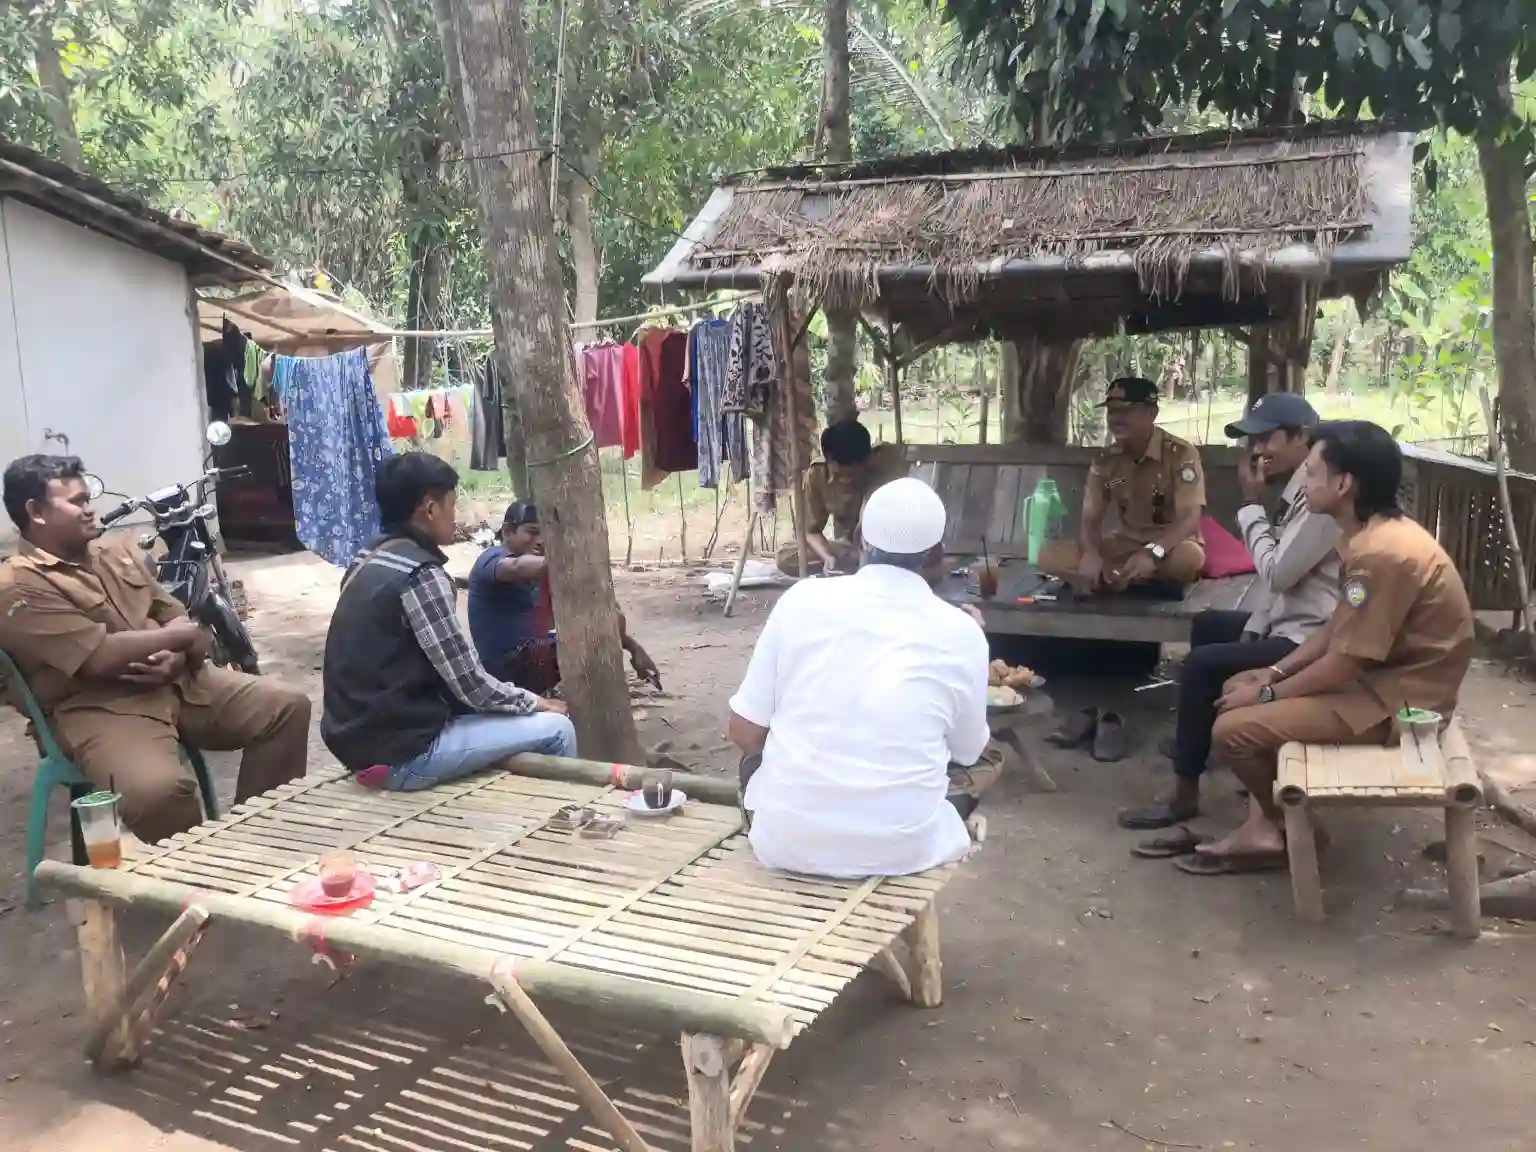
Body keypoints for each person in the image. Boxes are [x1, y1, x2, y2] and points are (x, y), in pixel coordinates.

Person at [1182, 421, 1474, 874]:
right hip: (1376, 683)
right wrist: (1272, 675)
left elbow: (1345, 660)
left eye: (1313, 473)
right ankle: (1267, 823)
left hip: (1400, 706)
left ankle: (1289, 834)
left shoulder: (1381, 554)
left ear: (1343, 484)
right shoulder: (1368, 537)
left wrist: (1267, 695)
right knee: (1241, 681)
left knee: (1231, 730)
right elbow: (1336, 624)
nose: (1304, 482)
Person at [0, 454, 309, 844]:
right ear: (36, 512)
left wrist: (179, 655)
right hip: (100, 709)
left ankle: (248, 846)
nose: (90, 509)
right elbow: (99, 657)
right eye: (77, 502)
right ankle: (197, 878)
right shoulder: (18, 585)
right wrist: (176, 639)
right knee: (157, 793)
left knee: (286, 708)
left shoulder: (113, 553)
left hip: (180, 682)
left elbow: (185, 621)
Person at [729, 476, 991, 878]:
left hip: (785, 843)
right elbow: (968, 752)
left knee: (758, 761)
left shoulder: (801, 600)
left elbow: (745, 732)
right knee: (985, 760)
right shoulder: (962, 632)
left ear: (858, 539)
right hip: (904, 851)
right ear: (938, 553)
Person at [1120, 393, 1342, 833]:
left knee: (1202, 664)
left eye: (1265, 438)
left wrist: (1249, 503)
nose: (1256, 450)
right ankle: (1208, 739)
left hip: (1310, 634)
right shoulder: (1300, 487)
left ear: (1301, 438)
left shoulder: (1319, 499)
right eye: (1251, 441)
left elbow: (1277, 573)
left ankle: (1184, 792)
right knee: (1209, 626)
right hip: (1288, 619)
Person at [320, 452, 576, 791]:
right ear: (429, 508)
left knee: (507, 718)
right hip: (402, 754)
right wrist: (538, 703)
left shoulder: (368, 558)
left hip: (353, 742)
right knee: (558, 728)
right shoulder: (421, 575)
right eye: (452, 506)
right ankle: (563, 824)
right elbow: (469, 684)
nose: (455, 517)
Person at [467, 499, 658, 696]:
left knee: (610, 616)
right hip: (505, 667)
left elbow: (605, 616)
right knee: (592, 636)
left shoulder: (545, 574)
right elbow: (517, 566)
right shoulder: (492, 559)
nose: (541, 540)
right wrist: (574, 554)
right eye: (532, 532)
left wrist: (634, 648)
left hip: (532, 658)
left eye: (546, 534)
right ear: (507, 532)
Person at [1038, 377, 1206, 592]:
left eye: (1125, 412)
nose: (1116, 419)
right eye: (1112, 412)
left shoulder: (1180, 454)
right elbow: (1090, 519)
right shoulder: (1106, 461)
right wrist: (1091, 553)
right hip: (1125, 545)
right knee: (1048, 556)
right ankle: (1129, 580)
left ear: (1151, 413)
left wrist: (1152, 552)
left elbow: (1190, 519)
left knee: (1188, 559)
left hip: (1168, 546)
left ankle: (1113, 580)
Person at [776, 417, 907, 576]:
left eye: (852, 475)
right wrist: (828, 558)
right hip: (850, 550)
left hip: (888, 547)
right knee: (787, 556)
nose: (846, 481)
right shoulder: (818, 474)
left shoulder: (886, 464)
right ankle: (853, 567)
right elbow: (810, 531)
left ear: (867, 460)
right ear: (828, 461)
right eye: (838, 475)